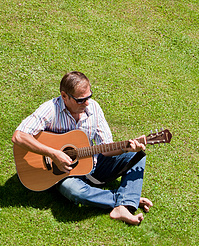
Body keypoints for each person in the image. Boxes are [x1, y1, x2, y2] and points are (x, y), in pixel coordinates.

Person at [12, 71, 152, 225]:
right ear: (64, 96)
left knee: (137, 155)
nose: (87, 103)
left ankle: (124, 203)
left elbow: (105, 148)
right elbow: (19, 136)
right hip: (63, 173)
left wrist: (127, 148)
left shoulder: (94, 108)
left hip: (93, 164)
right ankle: (126, 200)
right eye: (81, 100)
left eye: (89, 97)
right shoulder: (50, 109)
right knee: (75, 191)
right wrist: (53, 154)